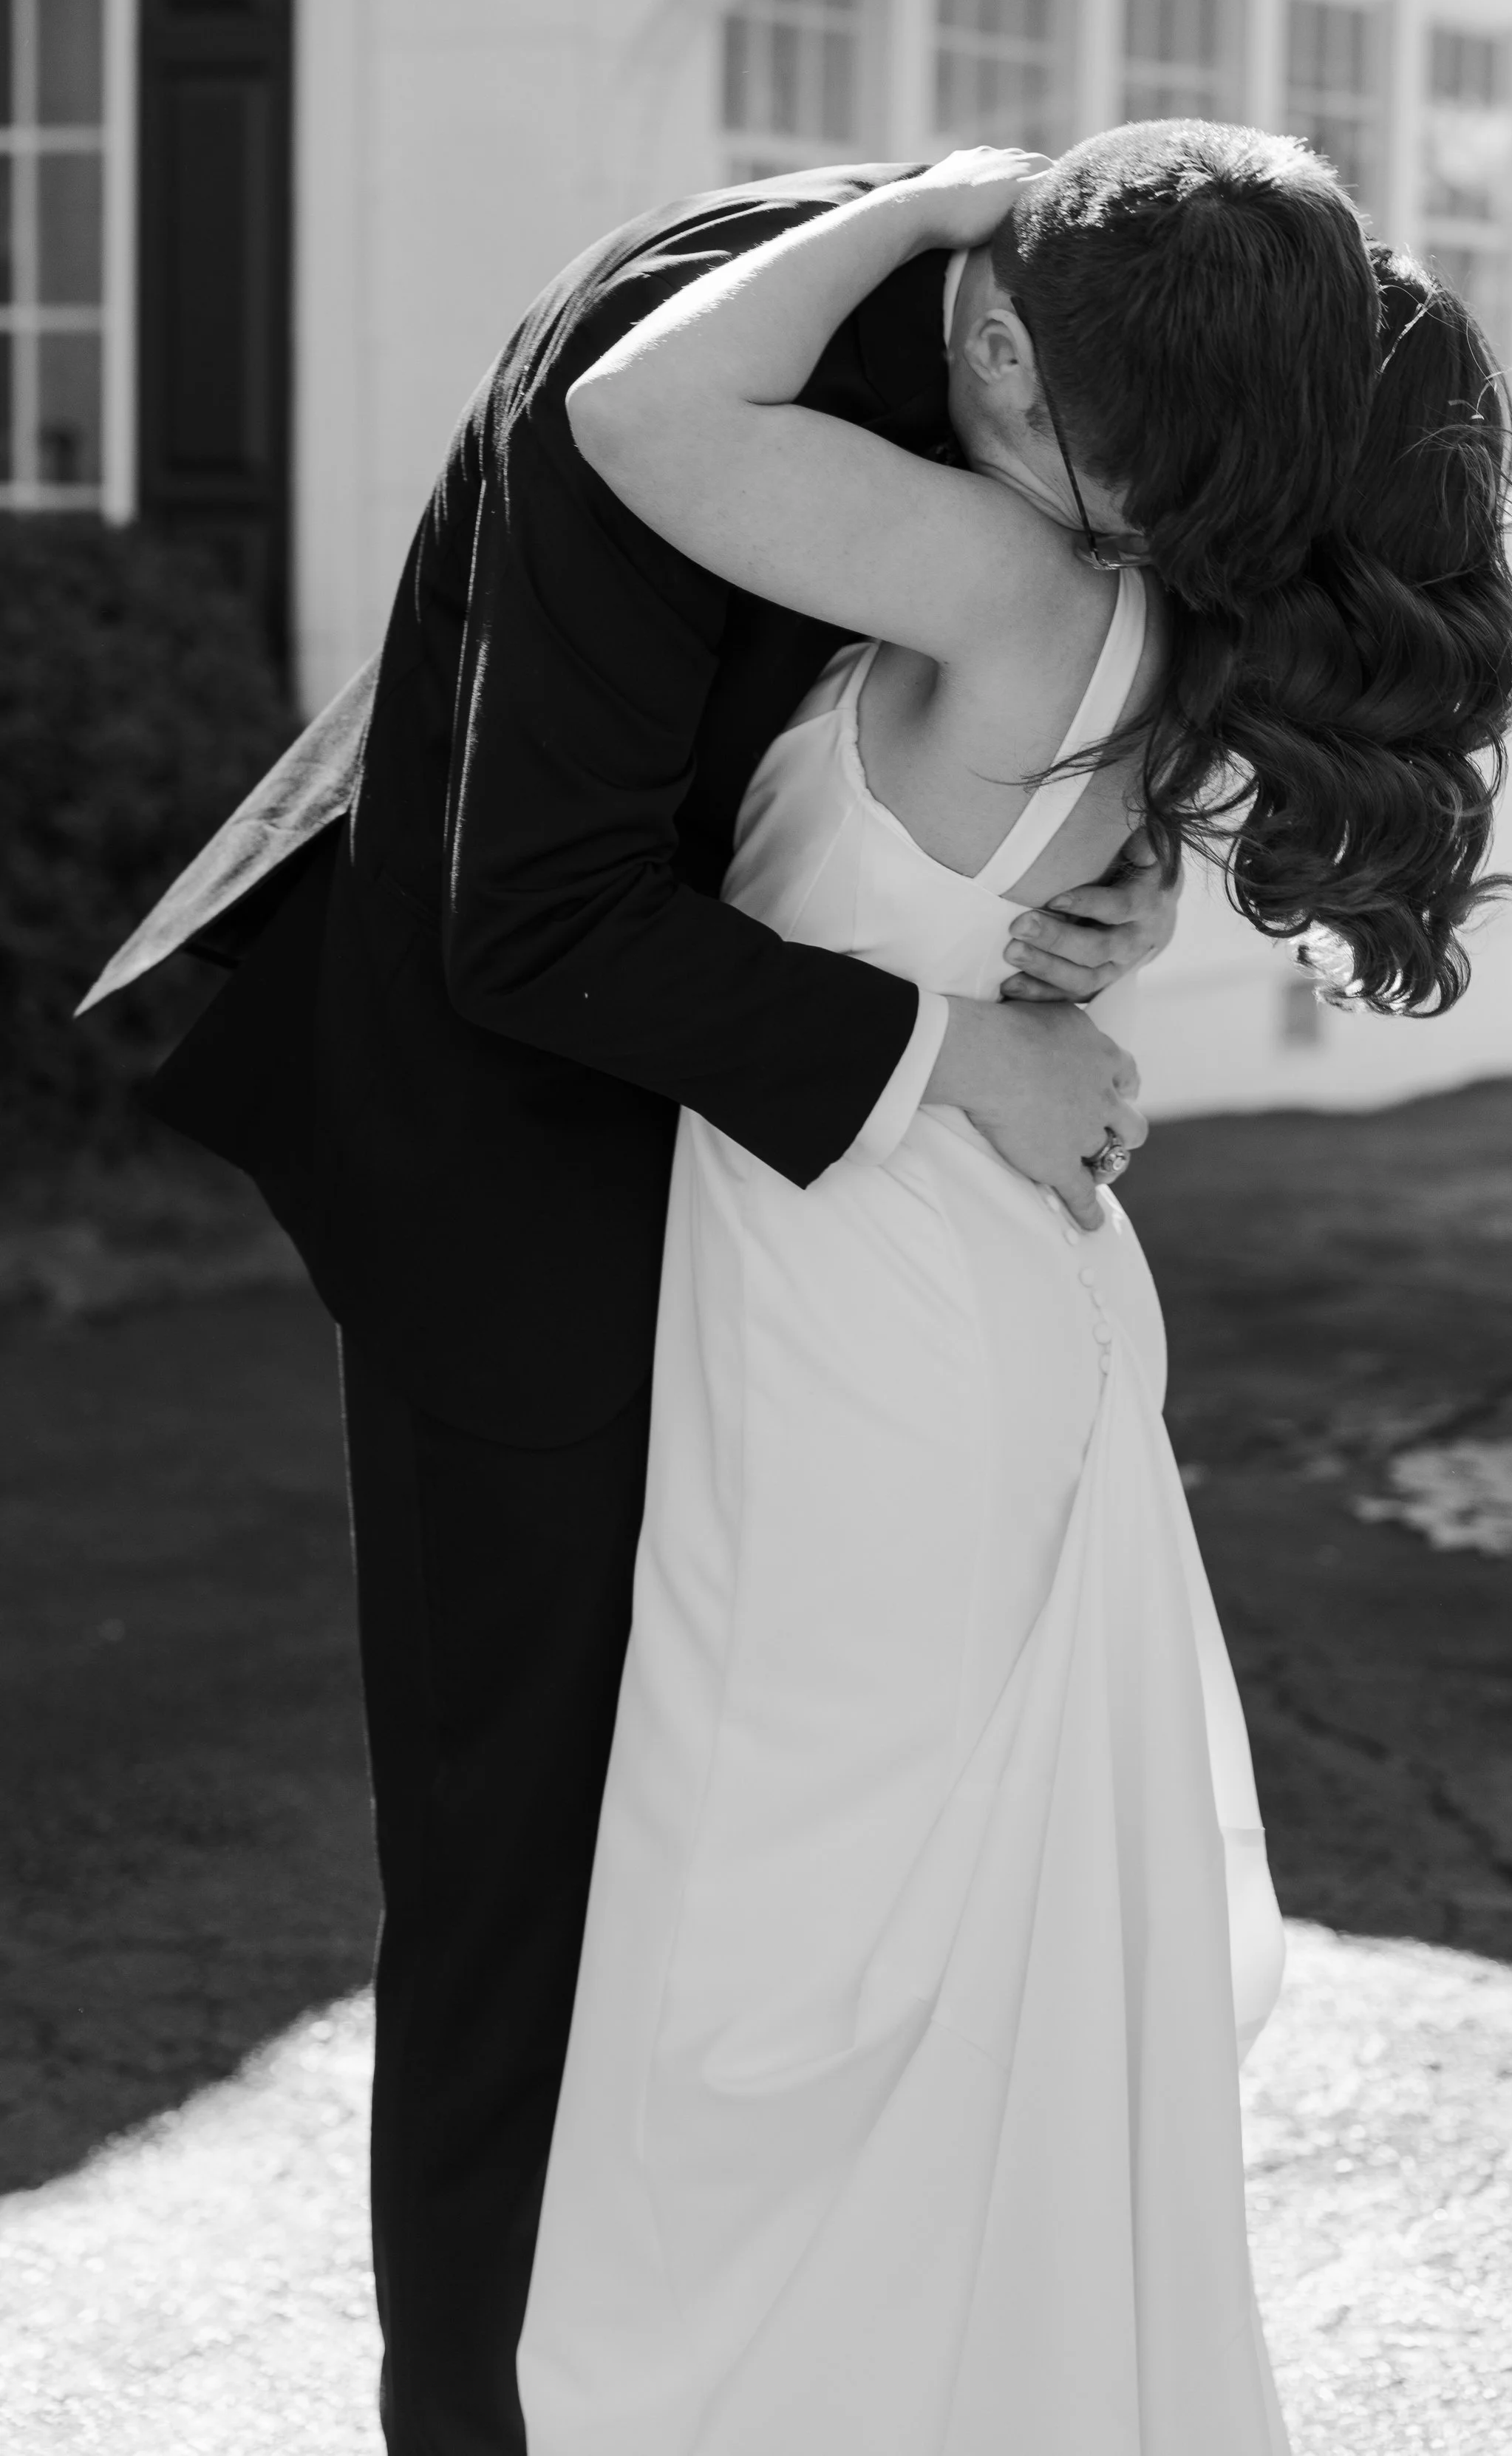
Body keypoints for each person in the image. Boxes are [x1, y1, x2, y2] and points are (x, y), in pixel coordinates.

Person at [90, 126, 1389, 2453]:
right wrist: (961, 1020)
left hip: (832, 1250)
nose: (1128, 537)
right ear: (990, 332)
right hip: (538, 1181)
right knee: (543, 1895)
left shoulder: (1062, 461)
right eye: (1106, 479)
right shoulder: (693, 355)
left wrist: (1054, 908)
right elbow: (539, 921)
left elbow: (1004, 713)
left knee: (775, 1904)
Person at [514, 144, 1512, 2450]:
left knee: (778, 1924)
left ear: (1030, 360)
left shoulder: (1001, 571)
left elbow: (635, 419)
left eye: (1001, 321)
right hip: (975, 1278)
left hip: (867, 1298)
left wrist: (905, 215)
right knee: (917, 1923)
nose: (973, 330)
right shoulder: (1171, 613)